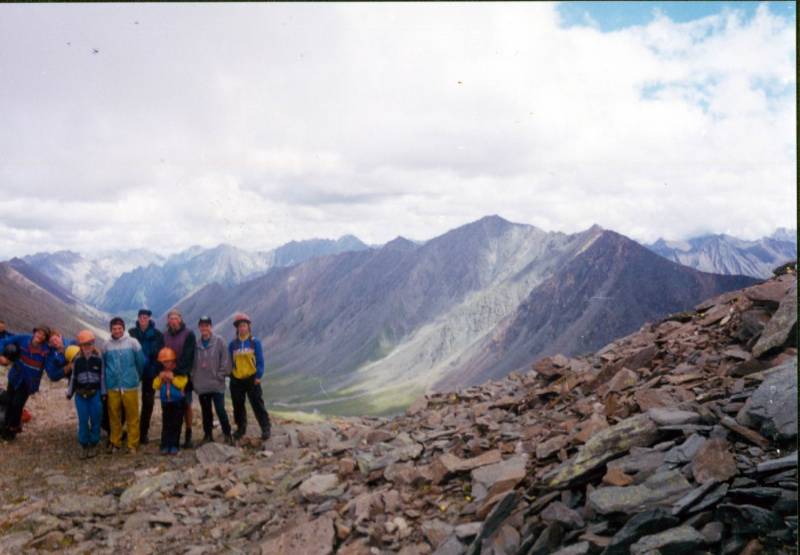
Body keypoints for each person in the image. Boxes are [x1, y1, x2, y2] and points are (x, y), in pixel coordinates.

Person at [0, 325, 67, 440]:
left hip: (28, 382)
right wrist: (1, 356)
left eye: (43, 335)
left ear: (45, 338)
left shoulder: (46, 350)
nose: (40, 336)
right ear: (35, 332)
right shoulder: (24, 338)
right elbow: (3, 341)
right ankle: (4, 428)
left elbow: (55, 364)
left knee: (17, 404)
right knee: (10, 402)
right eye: (38, 332)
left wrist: (66, 361)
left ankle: (12, 430)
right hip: (15, 376)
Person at [103, 316, 144, 454]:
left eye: (119, 328)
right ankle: (115, 442)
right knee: (114, 415)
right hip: (113, 385)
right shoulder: (106, 345)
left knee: (132, 416)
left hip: (130, 385)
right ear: (111, 330)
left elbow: (141, 362)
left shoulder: (133, 343)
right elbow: (104, 364)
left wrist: (136, 377)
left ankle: (133, 444)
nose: (117, 331)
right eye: (114, 329)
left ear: (123, 329)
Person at [228, 313, 271, 441]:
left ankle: (265, 427)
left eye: (244, 325)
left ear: (248, 326)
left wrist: (258, 375)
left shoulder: (254, 342)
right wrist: (231, 375)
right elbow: (229, 361)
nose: (242, 328)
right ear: (237, 328)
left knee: (257, 404)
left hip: (252, 378)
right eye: (240, 326)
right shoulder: (233, 344)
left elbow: (260, 360)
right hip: (236, 379)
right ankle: (241, 429)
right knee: (238, 406)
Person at [193, 316, 233, 445]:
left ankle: (227, 434)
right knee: (206, 412)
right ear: (199, 327)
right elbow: (193, 364)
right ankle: (208, 435)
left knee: (220, 409)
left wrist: (220, 375)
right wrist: (195, 380)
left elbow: (226, 360)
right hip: (203, 385)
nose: (204, 328)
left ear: (211, 327)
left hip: (216, 384)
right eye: (202, 325)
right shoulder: (196, 344)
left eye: (207, 325)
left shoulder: (219, 341)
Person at [66, 330, 105, 459]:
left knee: (96, 419)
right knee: (83, 420)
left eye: (89, 344)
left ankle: (94, 443)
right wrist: (69, 392)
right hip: (80, 395)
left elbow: (102, 377)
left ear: (93, 344)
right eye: (84, 344)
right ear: (80, 346)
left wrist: (103, 392)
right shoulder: (77, 361)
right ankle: (84, 444)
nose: (86, 347)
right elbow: (73, 377)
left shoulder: (99, 360)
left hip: (95, 394)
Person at [128, 308, 164, 445]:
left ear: (149, 318)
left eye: (145, 317)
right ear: (138, 318)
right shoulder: (131, 333)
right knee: (130, 402)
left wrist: (156, 369)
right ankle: (130, 430)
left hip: (150, 372)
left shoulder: (157, 335)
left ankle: (143, 432)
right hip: (134, 372)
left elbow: (160, 354)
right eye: (141, 317)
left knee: (148, 403)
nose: (143, 319)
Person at [163, 309, 197, 448]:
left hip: (184, 375)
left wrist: (175, 372)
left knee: (186, 405)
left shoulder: (189, 334)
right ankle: (169, 438)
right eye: (170, 318)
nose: (173, 321)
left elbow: (188, 357)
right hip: (167, 377)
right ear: (168, 321)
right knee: (169, 406)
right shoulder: (164, 336)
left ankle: (188, 433)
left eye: (175, 318)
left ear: (180, 319)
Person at [153, 347, 188, 455]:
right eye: (163, 362)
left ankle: (174, 445)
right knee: (166, 424)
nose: (166, 364)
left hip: (177, 401)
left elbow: (182, 384)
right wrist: (160, 379)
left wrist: (172, 378)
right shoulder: (161, 373)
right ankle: (165, 445)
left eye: (168, 361)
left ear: (173, 361)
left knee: (176, 424)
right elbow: (155, 386)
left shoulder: (179, 372)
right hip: (166, 402)